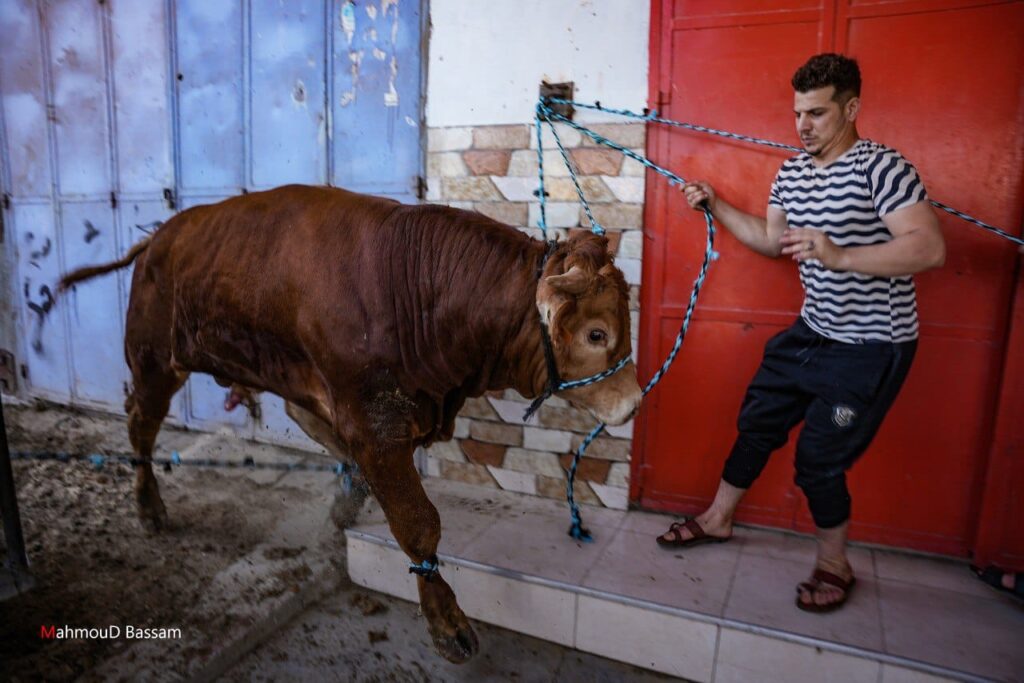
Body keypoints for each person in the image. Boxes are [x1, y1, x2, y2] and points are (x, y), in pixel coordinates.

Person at [657, 53, 946, 613]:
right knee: (756, 421)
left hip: (872, 344)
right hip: (813, 332)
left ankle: (835, 563)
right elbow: (772, 243)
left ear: (851, 108)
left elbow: (929, 247)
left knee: (818, 458)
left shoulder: (881, 168)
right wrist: (716, 206)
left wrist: (841, 254)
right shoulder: (790, 172)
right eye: (798, 114)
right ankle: (718, 519)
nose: (803, 125)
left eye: (817, 113)